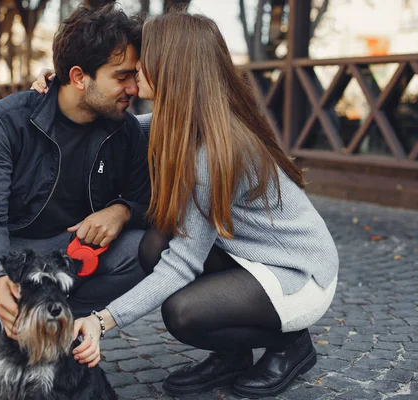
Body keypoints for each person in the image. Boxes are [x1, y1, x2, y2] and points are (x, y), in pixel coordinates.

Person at [33, 11, 339, 399]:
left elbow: (182, 263)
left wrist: (101, 319)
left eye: (145, 57)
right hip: (249, 255)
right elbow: (115, 127)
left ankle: (290, 344)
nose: (136, 65)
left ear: (171, 66)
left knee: (182, 312)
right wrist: (63, 87)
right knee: (153, 245)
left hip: (297, 271)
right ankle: (233, 355)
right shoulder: (175, 123)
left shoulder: (211, 152)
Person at [0, 5, 150, 398]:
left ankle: (65, 328)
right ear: (80, 78)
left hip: (73, 253)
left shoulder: (127, 130)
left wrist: (123, 210)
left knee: (149, 247)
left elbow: (147, 199)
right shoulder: (6, 120)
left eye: (134, 76)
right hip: (14, 245)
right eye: (122, 77)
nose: (133, 88)